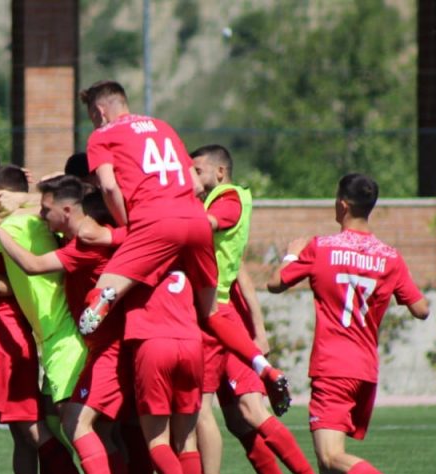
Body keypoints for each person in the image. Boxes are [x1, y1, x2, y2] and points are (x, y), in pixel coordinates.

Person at [74, 80, 292, 417]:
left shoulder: (102, 135)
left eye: (92, 116)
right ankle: (266, 369)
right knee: (213, 313)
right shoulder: (164, 128)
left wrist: (128, 226)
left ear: (100, 111)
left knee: (103, 289)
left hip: (154, 222)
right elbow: (192, 182)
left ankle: (108, 294)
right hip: (194, 219)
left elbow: (107, 185)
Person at [0, 175, 146, 474]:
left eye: (46, 209)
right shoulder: (85, 232)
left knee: (75, 423)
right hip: (99, 343)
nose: (40, 215)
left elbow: (34, 266)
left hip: (103, 346)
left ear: (66, 210)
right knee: (98, 430)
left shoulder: (86, 237)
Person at [267, 173, 429, 474]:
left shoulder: (320, 248)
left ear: (341, 205)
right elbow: (421, 309)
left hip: (332, 365)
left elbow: (275, 283)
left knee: (329, 454)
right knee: (331, 454)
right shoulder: (390, 257)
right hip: (365, 370)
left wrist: (292, 253)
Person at [189, 144, 320, 474]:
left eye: (197, 171)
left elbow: (210, 237)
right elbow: (240, 269)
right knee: (237, 421)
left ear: (220, 172)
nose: (191, 178)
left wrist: (256, 333)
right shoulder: (217, 200)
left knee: (240, 411)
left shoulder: (226, 199)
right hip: (219, 320)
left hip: (222, 322)